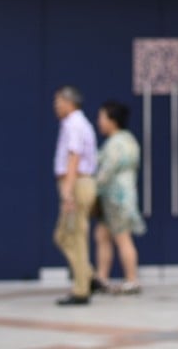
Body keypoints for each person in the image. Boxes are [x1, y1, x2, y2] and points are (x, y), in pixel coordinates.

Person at [92, 100, 147, 295]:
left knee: (123, 238)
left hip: (117, 198)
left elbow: (106, 171)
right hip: (120, 197)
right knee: (102, 235)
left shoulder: (116, 144)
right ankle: (102, 278)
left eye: (102, 117)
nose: (99, 121)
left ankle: (132, 279)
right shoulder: (129, 140)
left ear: (112, 120)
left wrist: (91, 188)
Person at [52, 85, 98, 306]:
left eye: (58, 101)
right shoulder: (77, 123)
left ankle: (81, 289)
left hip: (77, 183)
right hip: (78, 182)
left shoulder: (74, 124)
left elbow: (74, 156)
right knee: (66, 236)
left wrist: (67, 190)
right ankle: (87, 275)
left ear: (69, 102)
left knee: (74, 236)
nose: (56, 106)